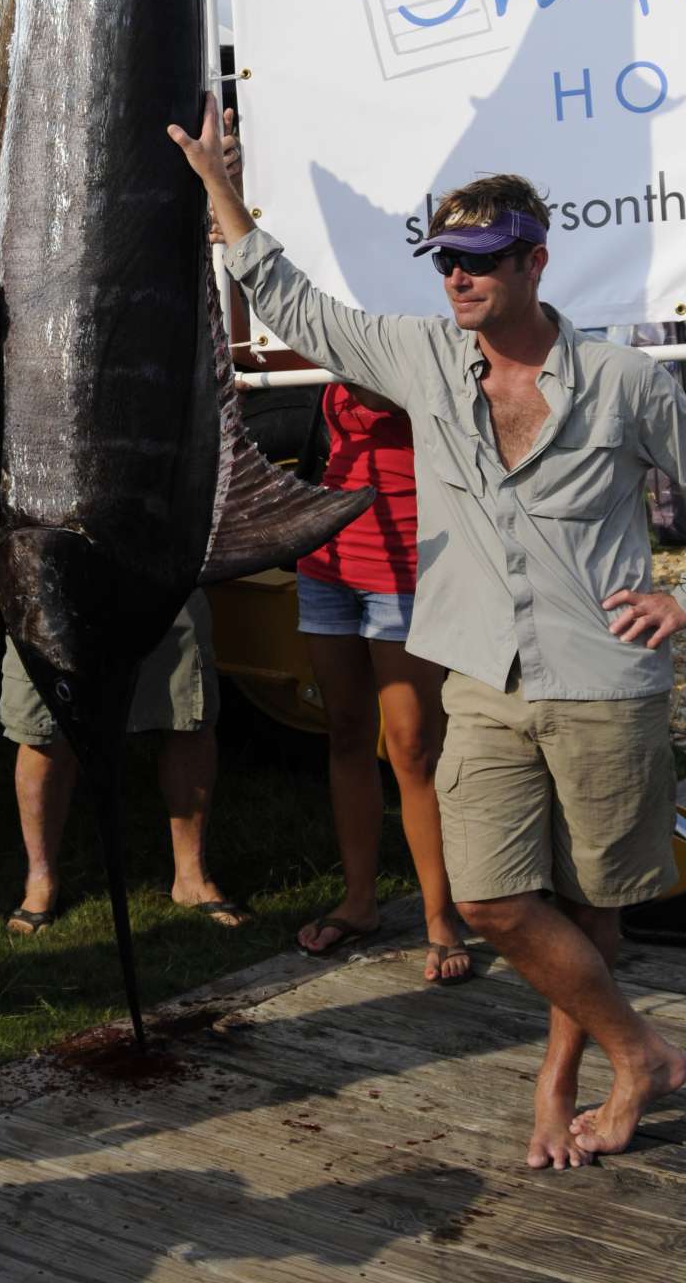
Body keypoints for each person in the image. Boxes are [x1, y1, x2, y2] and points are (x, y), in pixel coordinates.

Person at [171, 95, 686, 1170]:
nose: (456, 275)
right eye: (445, 257)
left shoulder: (629, 384)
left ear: (534, 262)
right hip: (482, 683)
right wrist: (221, 190)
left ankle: (565, 1087)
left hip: (601, 684)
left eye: (480, 258)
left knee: (589, 910)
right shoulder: (416, 360)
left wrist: (682, 600)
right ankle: (640, 1048)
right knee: (495, 896)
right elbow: (289, 298)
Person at [293, 379, 469, 985]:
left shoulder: (418, 334)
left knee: (414, 747)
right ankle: (359, 902)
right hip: (328, 557)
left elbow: (405, 398)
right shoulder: (341, 330)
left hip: (411, 560)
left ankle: (441, 917)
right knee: (344, 732)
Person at [2, 592, 246, 934]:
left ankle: (191, 876)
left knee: (188, 711)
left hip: (160, 565)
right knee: (42, 728)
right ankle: (40, 880)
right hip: (48, 566)